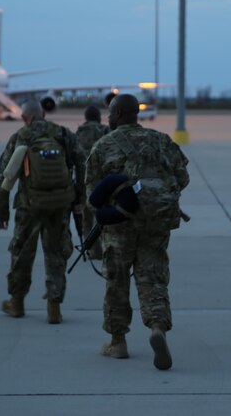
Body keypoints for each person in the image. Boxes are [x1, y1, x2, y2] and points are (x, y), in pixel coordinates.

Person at [85, 93, 189, 370]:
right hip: (156, 223)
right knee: (153, 277)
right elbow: (182, 178)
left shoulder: (104, 146)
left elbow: (91, 194)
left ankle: (118, 342)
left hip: (120, 225)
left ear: (118, 114)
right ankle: (157, 329)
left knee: (117, 281)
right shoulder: (162, 140)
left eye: (110, 113)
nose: (108, 118)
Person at [0, 100, 86, 324]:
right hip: (59, 205)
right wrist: (78, 198)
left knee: (21, 253)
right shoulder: (63, 134)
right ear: (43, 114)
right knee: (56, 254)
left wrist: (1, 212)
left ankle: (16, 303)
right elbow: (82, 164)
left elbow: (4, 176)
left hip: (28, 205)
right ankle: (54, 308)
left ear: (24, 117)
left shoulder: (20, 136)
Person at [75, 105, 111, 259]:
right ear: (99, 117)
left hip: (84, 179)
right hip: (103, 181)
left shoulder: (79, 132)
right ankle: (105, 248)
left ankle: (91, 250)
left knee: (87, 217)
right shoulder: (105, 131)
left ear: (85, 117)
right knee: (103, 216)